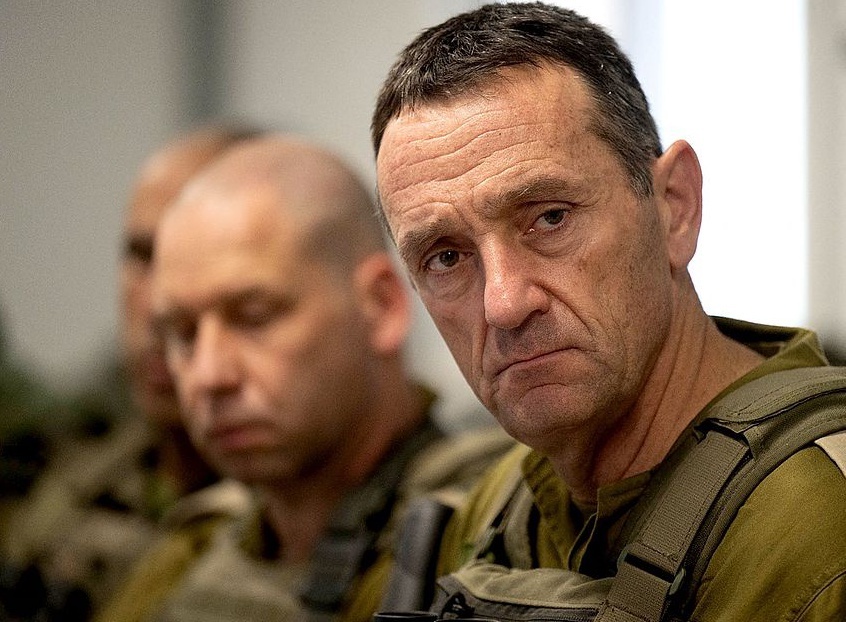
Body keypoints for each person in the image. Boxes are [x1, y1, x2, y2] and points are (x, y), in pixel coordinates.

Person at [371, 3, 846, 621]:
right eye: (446, 257)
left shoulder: (814, 527)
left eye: (550, 218)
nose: (504, 303)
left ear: (674, 205)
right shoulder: (502, 507)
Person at [100, 133, 512, 622]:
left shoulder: (492, 533)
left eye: (254, 317)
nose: (209, 375)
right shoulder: (191, 551)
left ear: (380, 305)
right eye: (183, 333)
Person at [0, 124, 261, 620]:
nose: (159, 303)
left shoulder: (304, 516)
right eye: (142, 256)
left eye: (196, 258)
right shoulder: (66, 466)